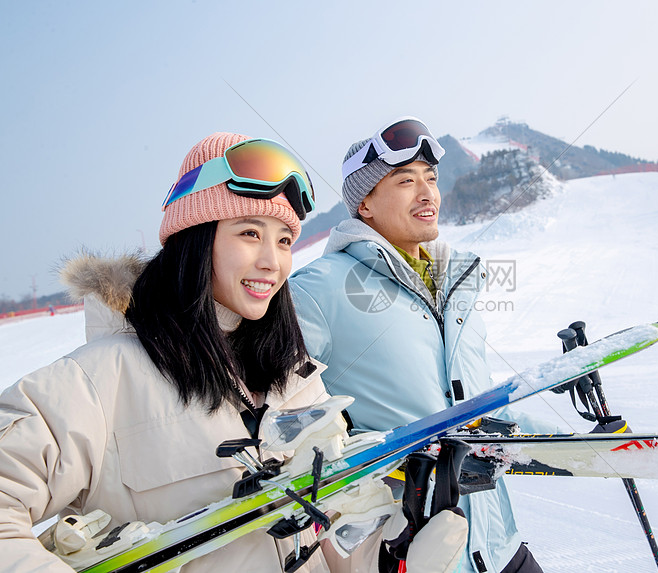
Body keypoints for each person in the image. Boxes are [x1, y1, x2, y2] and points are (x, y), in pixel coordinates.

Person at [0, 132, 465, 572]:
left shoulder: (296, 379)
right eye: (249, 234)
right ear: (196, 239)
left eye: (284, 240)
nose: (273, 261)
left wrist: (391, 560)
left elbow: (336, 532)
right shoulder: (102, 379)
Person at [291, 117, 553, 573]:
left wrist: (582, 441)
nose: (427, 192)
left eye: (430, 178)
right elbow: (283, 422)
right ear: (365, 204)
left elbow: (479, 403)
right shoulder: (318, 289)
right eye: (406, 180)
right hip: (419, 553)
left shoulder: (455, 284)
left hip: (499, 545)